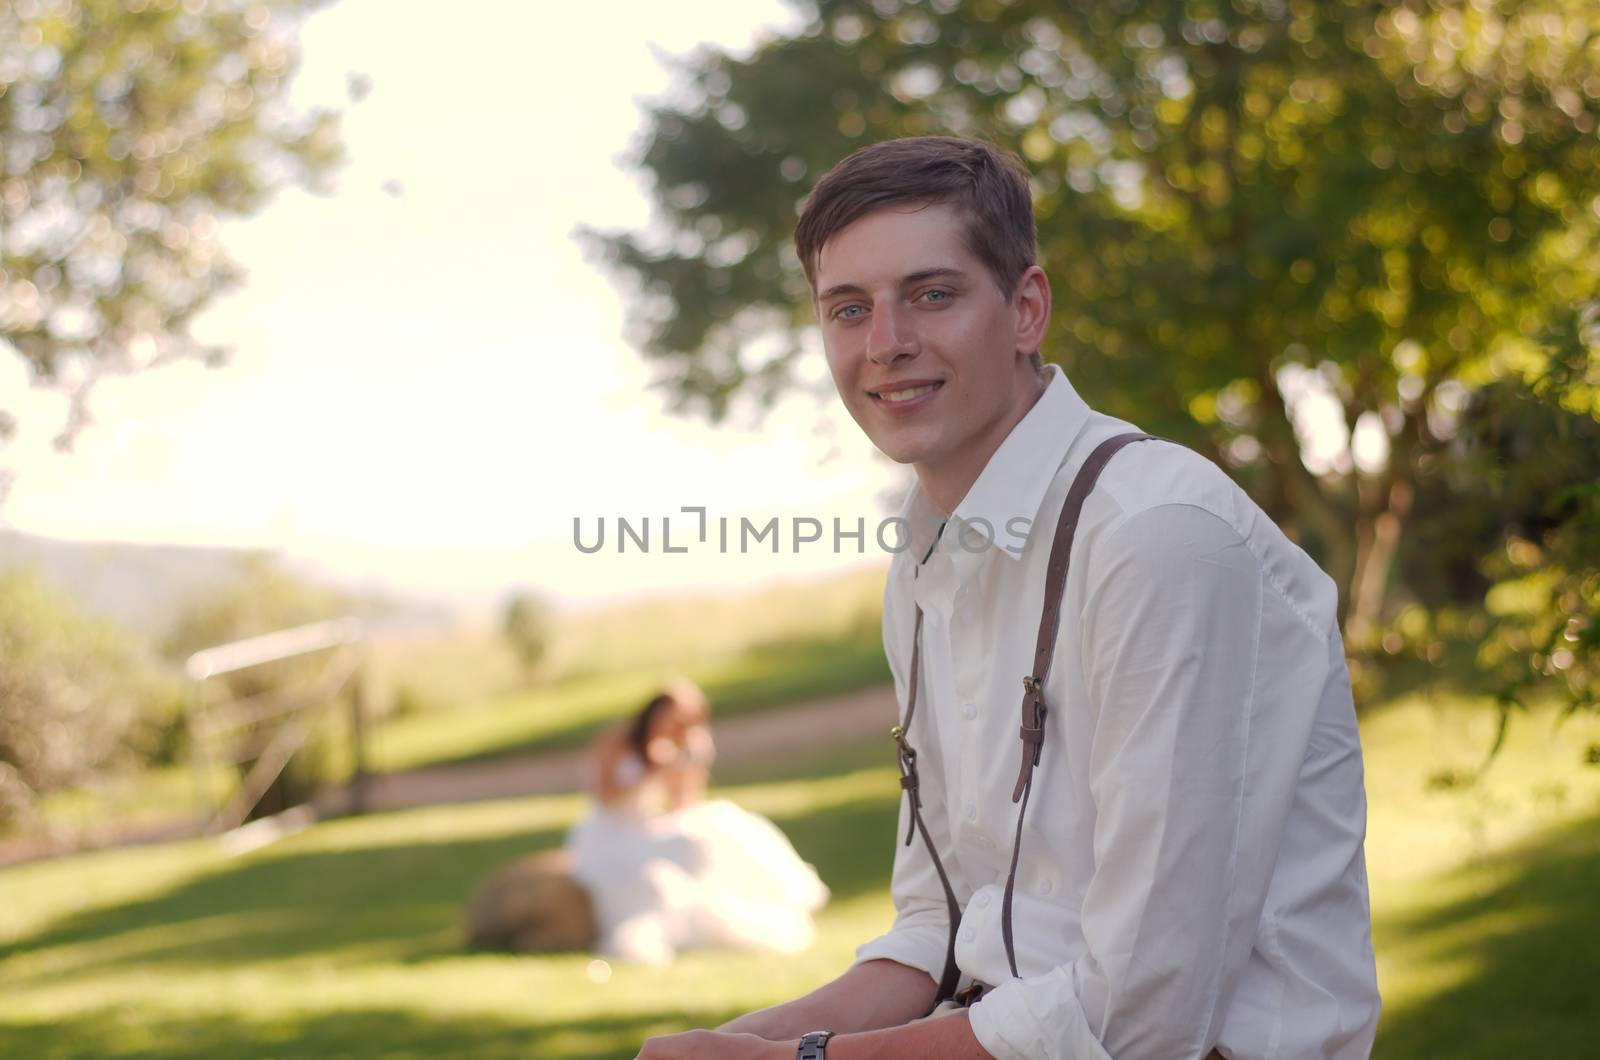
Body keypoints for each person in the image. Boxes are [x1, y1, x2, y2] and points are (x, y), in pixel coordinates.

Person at [637, 137, 1380, 1059]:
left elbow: (1143, 1010)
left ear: (1026, 309)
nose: (887, 342)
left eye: (932, 294)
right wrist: (732, 1042)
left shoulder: (1158, 537)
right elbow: (938, 932)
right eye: (848, 309)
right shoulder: (920, 567)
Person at [566, 679, 830, 967]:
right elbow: (605, 796)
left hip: (649, 827)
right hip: (610, 833)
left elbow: (684, 802)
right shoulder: (620, 739)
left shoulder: (688, 744)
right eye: (671, 718)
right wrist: (651, 771)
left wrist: (677, 770)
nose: (677, 725)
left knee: (719, 826)